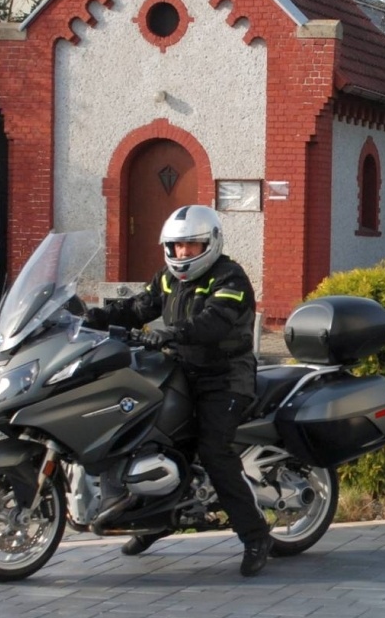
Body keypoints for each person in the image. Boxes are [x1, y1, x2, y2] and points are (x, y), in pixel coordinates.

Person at [82, 204, 274, 576]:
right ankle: (156, 519)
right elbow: (139, 307)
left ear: (211, 243)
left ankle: (255, 536)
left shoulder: (230, 279)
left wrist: (171, 333)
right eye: (177, 246)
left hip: (226, 378)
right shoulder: (168, 279)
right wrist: (93, 317)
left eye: (192, 245)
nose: (183, 253)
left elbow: (213, 322)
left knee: (213, 452)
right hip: (180, 371)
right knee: (146, 436)